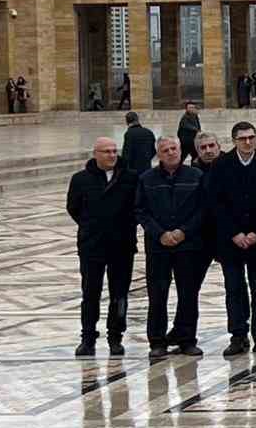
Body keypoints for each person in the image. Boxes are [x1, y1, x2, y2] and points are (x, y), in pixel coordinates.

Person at [206, 121, 256, 357]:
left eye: (251, 137)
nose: (248, 142)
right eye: (242, 138)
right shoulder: (220, 165)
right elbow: (216, 204)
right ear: (234, 141)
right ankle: (238, 335)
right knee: (234, 289)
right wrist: (234, 232)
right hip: (231, 241)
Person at [67, 137, 139, 357]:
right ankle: (87, 337)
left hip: (122, 244)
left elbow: (138, 207)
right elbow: (73, 208)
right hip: (93, 245)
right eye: (106, 151)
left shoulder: (130, 177)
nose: (111, 155)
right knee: (90, 292)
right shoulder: (80, 179)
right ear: (95, 154)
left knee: (120, 294)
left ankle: (115, 336)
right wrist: (92, 226)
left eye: (114, 151)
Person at [136, 135, 207, 357]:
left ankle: (187, 339)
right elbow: (140, 210)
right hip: (159, 246)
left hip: (188, 245)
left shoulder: (196, 175)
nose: (170, 153)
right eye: (165, 150)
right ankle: (157, 341)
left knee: (188, 293)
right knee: (157, 295)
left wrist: (183, 231)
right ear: (158, 154)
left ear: (180, 150)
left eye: (174, 148)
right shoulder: (147, 178)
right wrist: (160, 234)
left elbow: (203, 209)